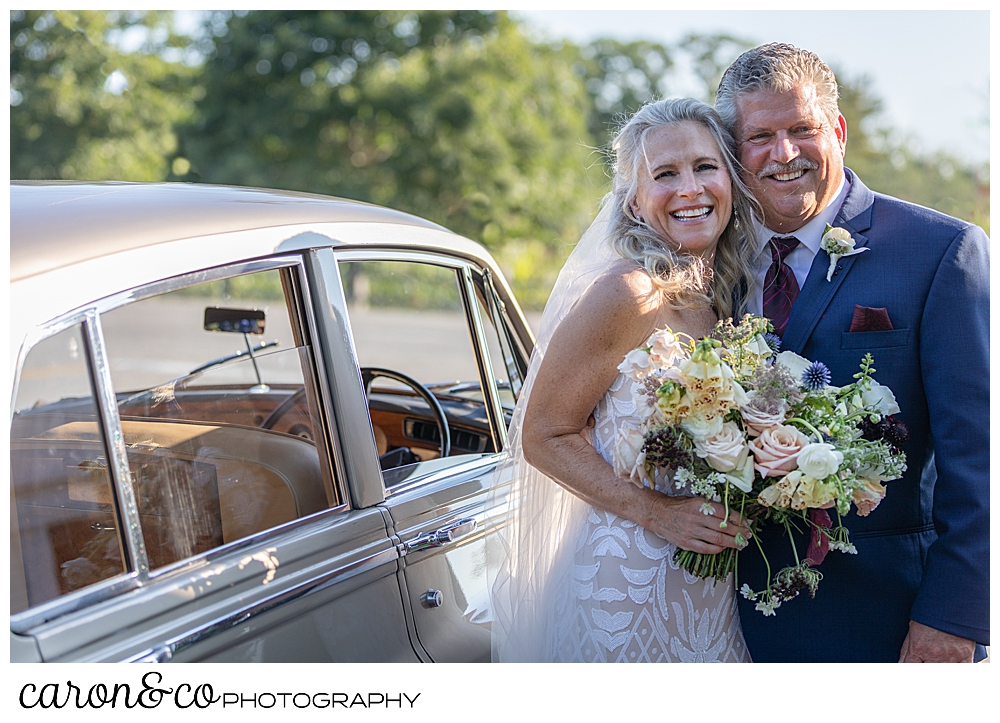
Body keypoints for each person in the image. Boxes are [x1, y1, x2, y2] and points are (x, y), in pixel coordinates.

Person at [714, 43, 989, 663]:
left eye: (801, 130)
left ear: (836, 130)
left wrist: (954, 617)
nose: (783, 154)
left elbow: (979, 457)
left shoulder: (941, 252)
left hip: (885, 616)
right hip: (718, 614)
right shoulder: (704, 259)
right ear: (734, 150)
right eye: (760, 136)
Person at [489, 98, 758, 662]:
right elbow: (543, 434)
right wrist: (658, 513)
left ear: (730, 180)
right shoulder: (629, 293)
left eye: (705, 167)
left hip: (707, 586)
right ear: (635, 201)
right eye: (665, 174)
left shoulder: (725, 298)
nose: (690, 188)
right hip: (626, 588)